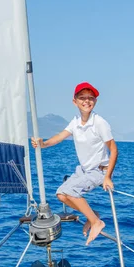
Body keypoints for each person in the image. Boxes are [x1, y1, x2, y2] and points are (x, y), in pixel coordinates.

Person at [31, 82, 118, 245]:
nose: (87, 101)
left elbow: (114, 150)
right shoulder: (76, 122)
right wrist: (43, 144)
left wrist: (108, 177)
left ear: (95, 102)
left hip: (99, 171)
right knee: (61, 194)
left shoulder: (99, 123)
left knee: (69, 191)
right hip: (84, 170)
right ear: (75, 101)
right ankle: (93, 215)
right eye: (82, 98)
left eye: (90, 98)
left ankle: (96, 222)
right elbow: (59, 136)